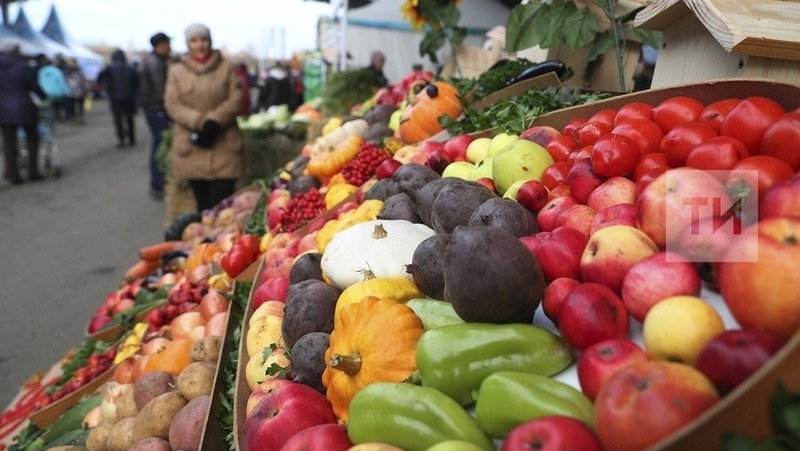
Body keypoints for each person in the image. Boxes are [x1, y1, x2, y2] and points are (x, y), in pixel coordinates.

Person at [164, 23, 244, 213]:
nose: (199, 45)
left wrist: (215, 121)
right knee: (203, 207)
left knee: (224, 207)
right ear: (188, 44)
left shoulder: (227, 68)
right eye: (194, 40)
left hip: (225, 145)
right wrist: (200, 121)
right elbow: (172, 104)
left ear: (210, 41)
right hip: (193, 147)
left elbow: (237, 98)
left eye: (203, 40)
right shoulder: (176, 72)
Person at [0, 43, 47, 184]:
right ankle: (33, 172)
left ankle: (13, 174)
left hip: (3, 109)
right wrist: (44, 96)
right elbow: (34, 86)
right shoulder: (23, 66)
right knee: (32, 139)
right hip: (25, 107)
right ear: (16, 51)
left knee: (9, 142)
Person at [139, 31, 172, 200]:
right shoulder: (155, 63)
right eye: (168, 44)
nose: (170, 48)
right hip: (156, 109)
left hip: (153, 108)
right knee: (159, 145)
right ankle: (158, 183)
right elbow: (162, 91)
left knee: (159, 143)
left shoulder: (154, 61)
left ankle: (159, 181)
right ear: (161, 45)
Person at [97, 49, 139, 148]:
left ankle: (121, 139)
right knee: (129, 118)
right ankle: (132, 138)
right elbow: (137, 82)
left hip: (115, 98)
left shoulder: (110, 68)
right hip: (129, 98)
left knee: (118, 119)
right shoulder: (130, 68)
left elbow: (99, 77)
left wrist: (105, 86)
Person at [64, 58, 90, 124]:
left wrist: (86, 89)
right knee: (72, 104)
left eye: (70, 61)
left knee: (80, 105)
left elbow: (84, 80)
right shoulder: (67, 71)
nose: (69, 63)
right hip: (70, 91)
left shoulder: (79, 70)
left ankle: (79, 117)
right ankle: (74, 117)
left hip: (79, 90)